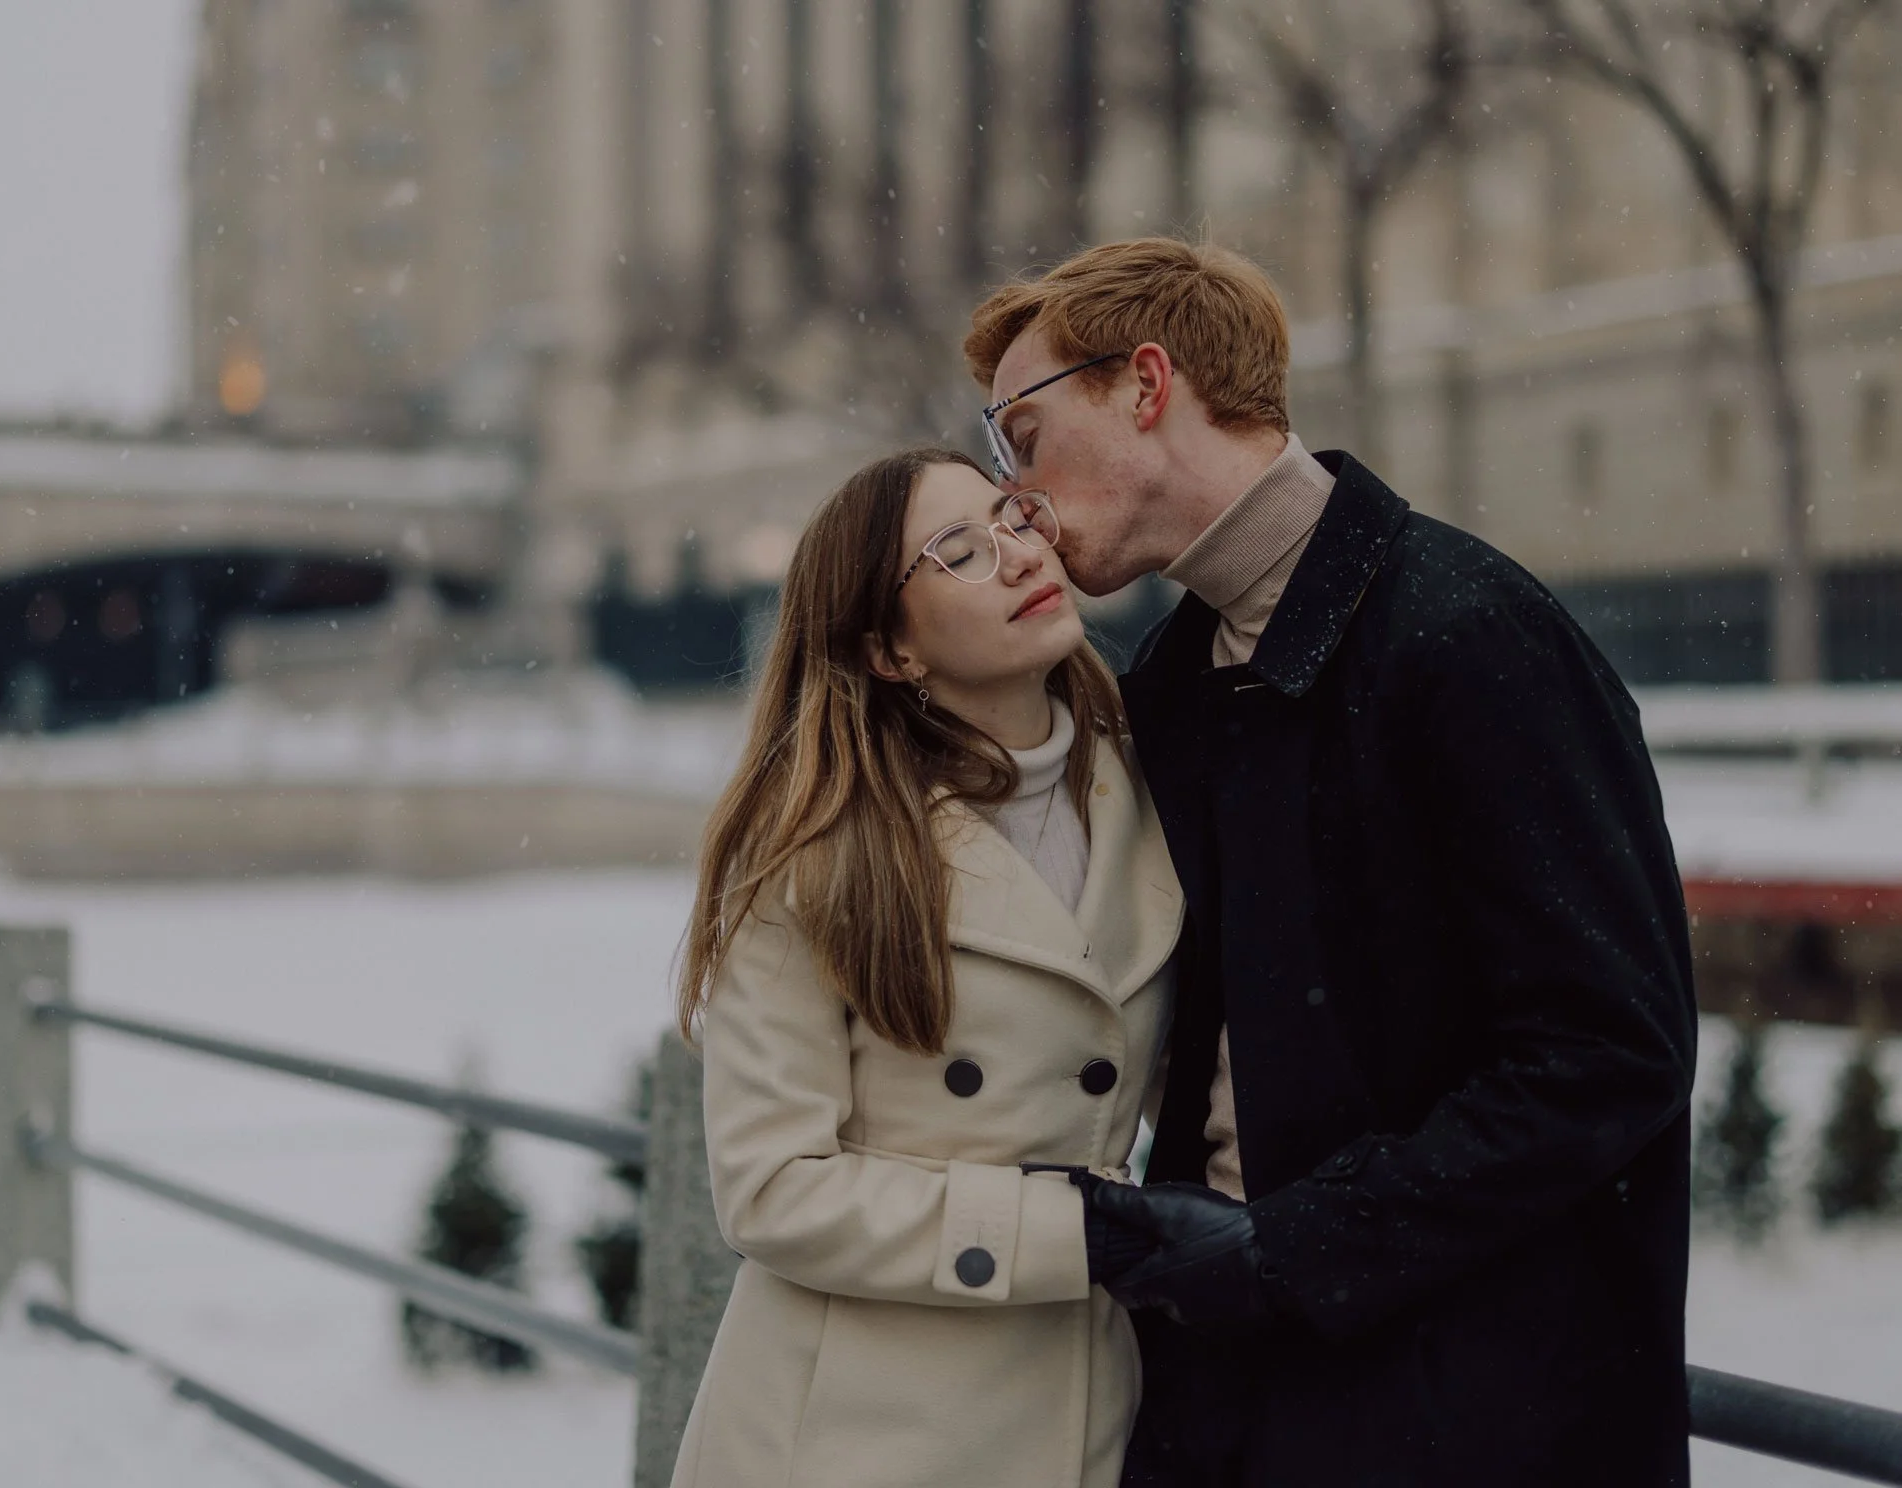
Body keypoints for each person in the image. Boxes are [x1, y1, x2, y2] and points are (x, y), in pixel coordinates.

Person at [962, 238, 1698, 1487]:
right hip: (1236, 1400)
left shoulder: (1469, 634)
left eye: (1019, 437)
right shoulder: (1176, 686)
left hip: (1467, 1417)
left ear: (1144, 385)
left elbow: (1606, 1052)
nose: (1012, 492)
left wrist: (1295, 1248)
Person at [669, 446, 1186, 1488]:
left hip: (1082, 1400)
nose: (1013, 551)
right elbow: (770, 1190)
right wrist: (1073, 1232)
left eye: (1010, 515)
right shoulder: (815, 855)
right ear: (887, 651)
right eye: (956, 549)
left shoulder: (1161, 789)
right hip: (854, 1433)